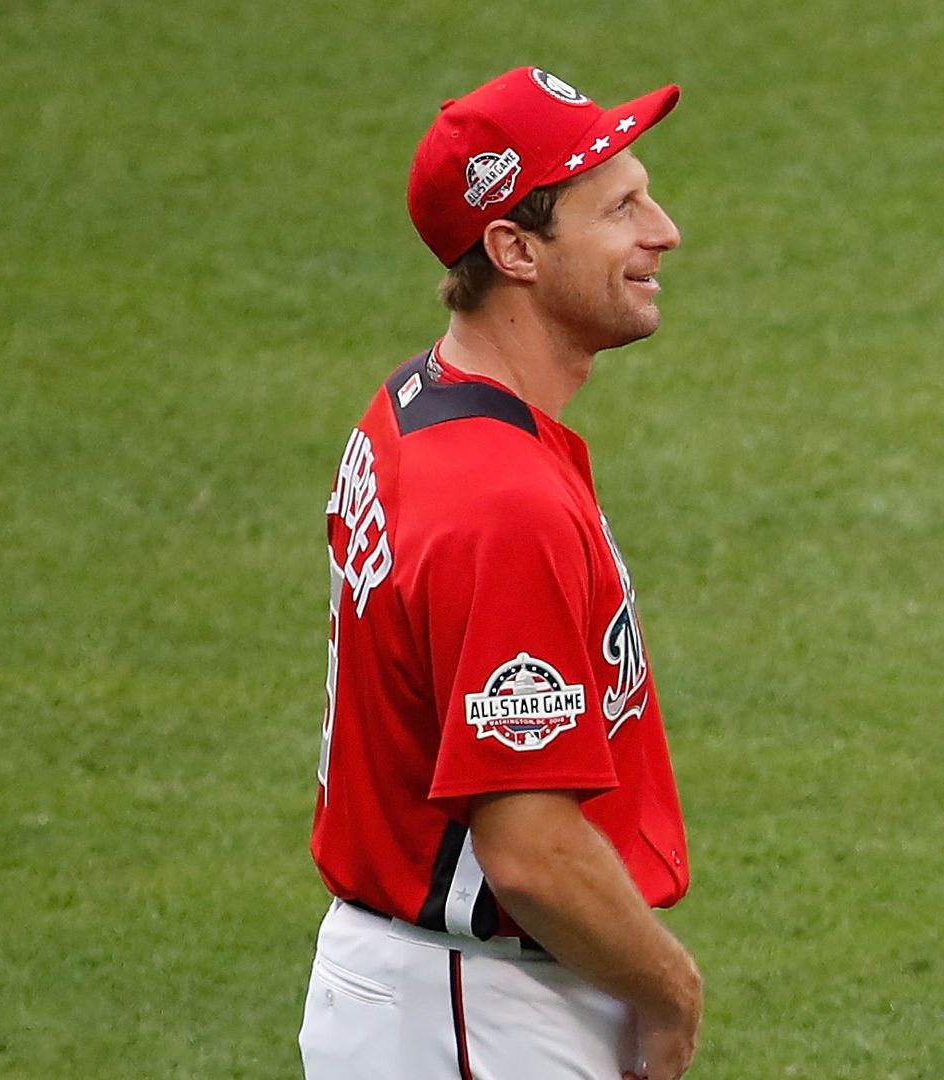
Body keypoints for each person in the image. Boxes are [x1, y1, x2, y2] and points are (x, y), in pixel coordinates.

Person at [299, 67, 701, 1080]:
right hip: (476, 1012)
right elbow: (528, 850)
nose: (665, 232)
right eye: (621, 209)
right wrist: (669, 993)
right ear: (514, 250)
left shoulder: (417, 400)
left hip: (425, 990)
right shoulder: (499, 502)